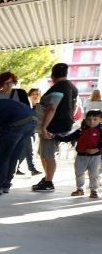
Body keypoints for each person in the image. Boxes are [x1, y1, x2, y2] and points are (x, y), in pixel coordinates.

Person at [33, 63, 78, 192]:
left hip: (52, 126)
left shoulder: (57, 88)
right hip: (65, 125)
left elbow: (52, 108)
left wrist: (44, 127)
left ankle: (48, 182)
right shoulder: (72, 88)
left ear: (53, 75)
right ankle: (47, 177)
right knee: (44, 154)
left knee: (47, 155)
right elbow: (74, 108)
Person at [56, 109, 102, 198]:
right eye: (89, 119)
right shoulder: (81, 130)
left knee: (94, 174)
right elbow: (68, 138)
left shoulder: (100, 131)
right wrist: (55, 136)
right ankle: (80, 189)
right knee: (79, 172)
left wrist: (97, 149)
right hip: (81, 156)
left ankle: (94, 190)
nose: (91, 122)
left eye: (95, 119)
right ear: (86, 119)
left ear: (100, 119)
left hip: (95, 157)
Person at [15, 89, 43, 176]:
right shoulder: (26, 105)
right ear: (29, 95)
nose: (36, 96)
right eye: (34, 94)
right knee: (29, 150)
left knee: (24, 151)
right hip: (25, 130)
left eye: (38, 94)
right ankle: (32, 169)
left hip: (33, 131)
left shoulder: (39, 107)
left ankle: (16, 167)